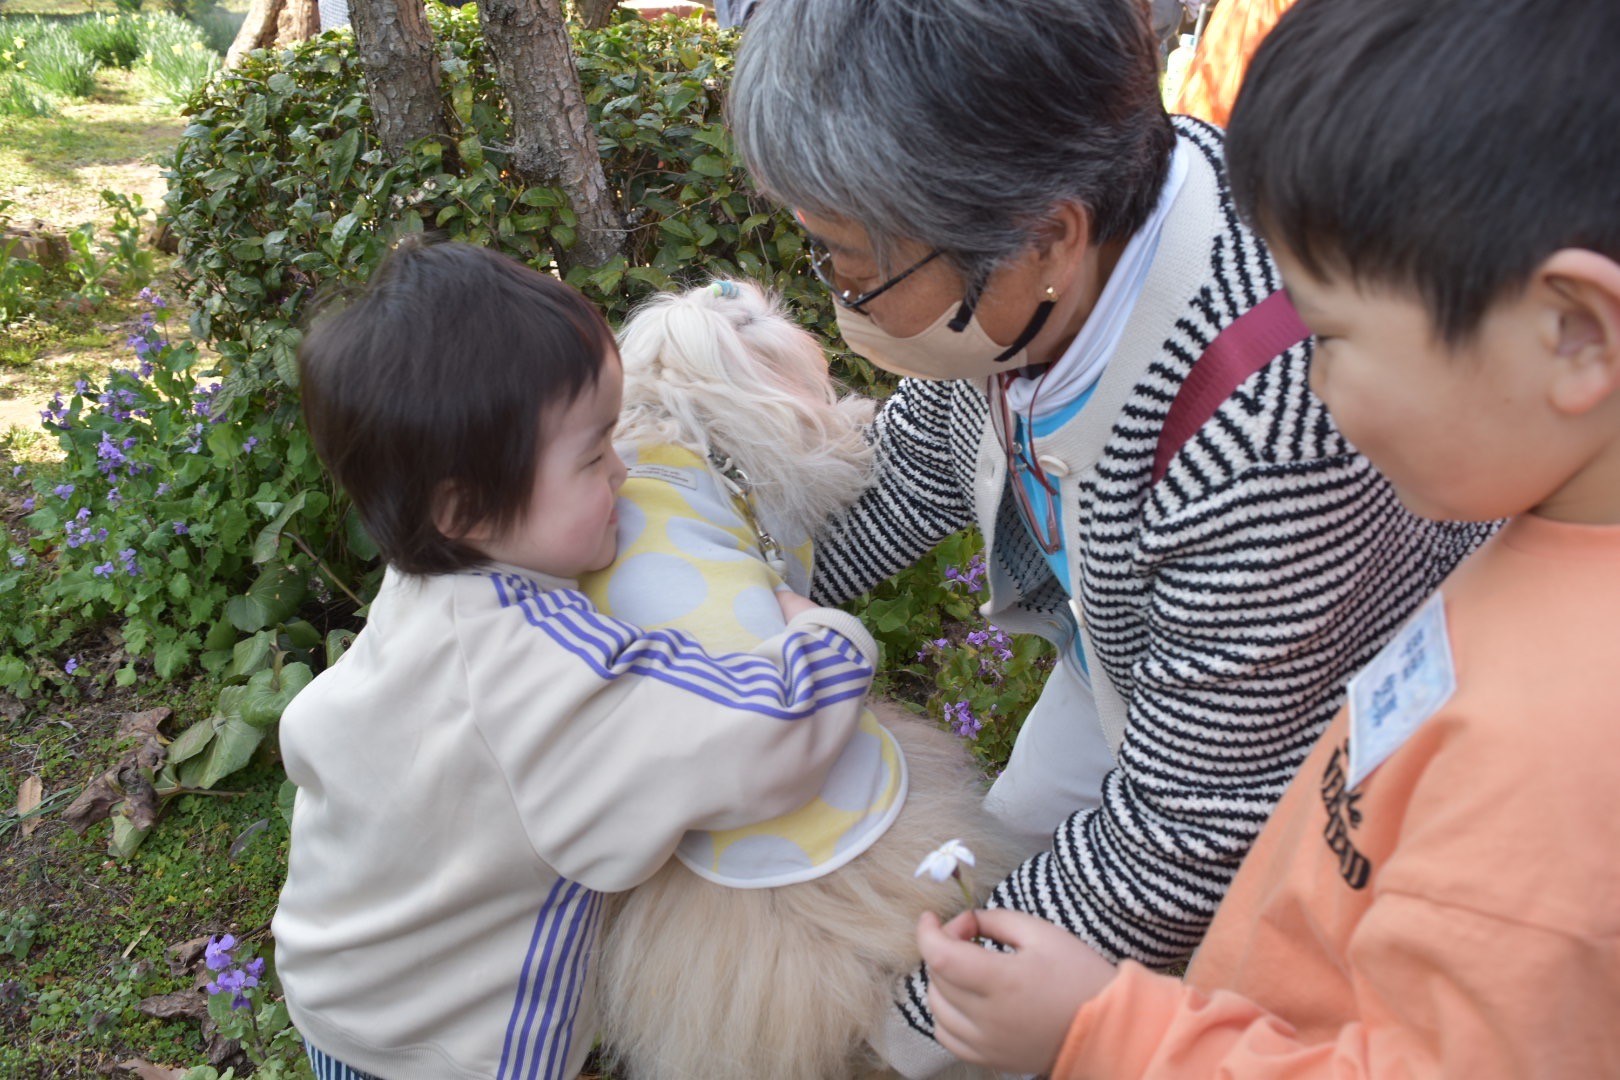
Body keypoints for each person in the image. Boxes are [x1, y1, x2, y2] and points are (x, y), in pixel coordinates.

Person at [727, 1, 1488, 1073]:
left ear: (1044, 237)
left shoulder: (1266, 428)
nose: (842, 300)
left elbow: (1186, 827)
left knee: (1042, 986)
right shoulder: (1034, 291)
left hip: (1301, 763)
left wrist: (893, 1031)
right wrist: (716, 600)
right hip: (1133, 666)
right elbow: (918, 468)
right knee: (1002, 875)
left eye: (852, 267)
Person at [915, 0, 1620, 1074]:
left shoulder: (1556, 781)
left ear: (1573, 331)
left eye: (1327, 334)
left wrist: (1108, 1031)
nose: (1306, 389)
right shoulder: (1547, 527)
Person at [270, 240, 880, 1080]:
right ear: (467, 507)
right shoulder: (540, 664)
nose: (624, 471)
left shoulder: (421, 593)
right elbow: (754, 734)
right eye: (593, 456)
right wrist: (821, 636)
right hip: (453, 1049)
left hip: (341, 993)